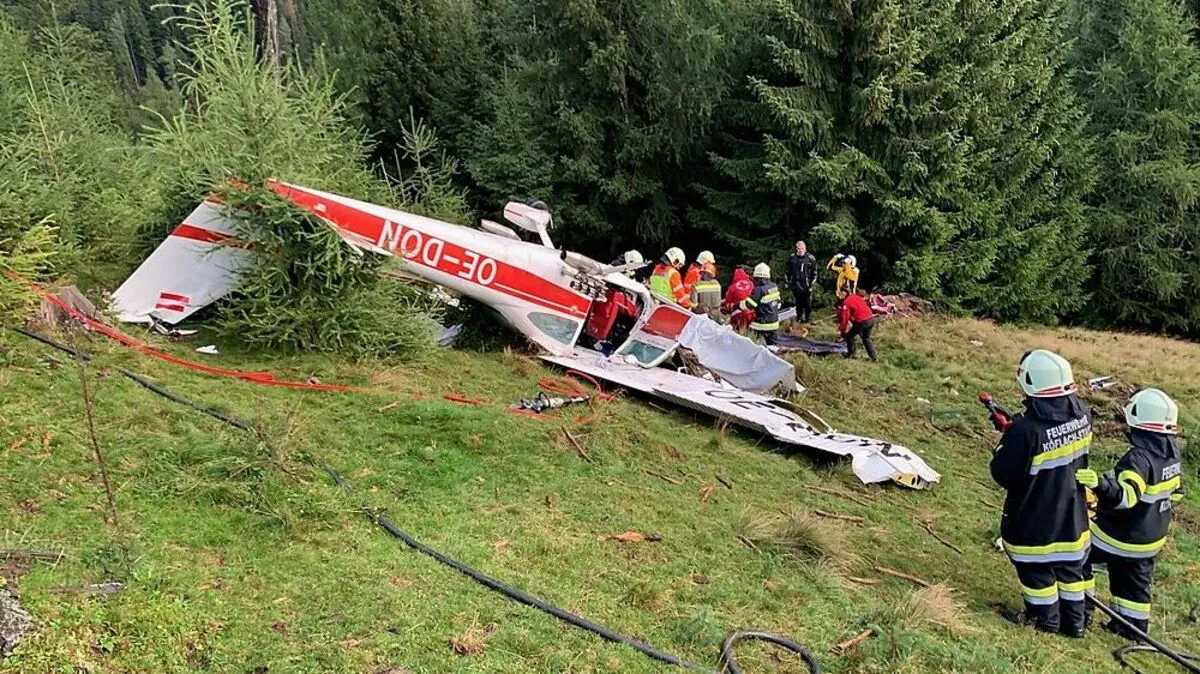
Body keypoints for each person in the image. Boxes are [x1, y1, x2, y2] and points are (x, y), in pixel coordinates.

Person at [990, 349, 1093, 638]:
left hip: (1035, 520)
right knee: (1070, 570)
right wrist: (1018, 427)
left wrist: (1008, 439)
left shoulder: (1026, 432)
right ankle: (1076, 623)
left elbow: (1003, 473)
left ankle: (1044, 620)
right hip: (1073, 514)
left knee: (1037, 573)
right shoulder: (1083, 414)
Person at [1077, 388, 1184, 637]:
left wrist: (1100, 485)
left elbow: (1125, 497)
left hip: (1117, 537)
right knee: (1134, 584)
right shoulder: (1172, 454)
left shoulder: (1138, 459)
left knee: (1076, 550)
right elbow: (1176, 493)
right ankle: (1131, 628)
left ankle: (1080, 611)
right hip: (1150, 541)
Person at [741, 263, 781, 345]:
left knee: (752, 344)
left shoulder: (758, 289)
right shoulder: (774, 286)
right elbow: (779, 304)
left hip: (760, 325)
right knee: (773, 347)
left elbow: (748, 306)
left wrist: (739, 304)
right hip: (774, 324)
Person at [836, 288, 878, 361]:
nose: (840, 295)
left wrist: (842, 330)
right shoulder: (855, 296)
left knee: (849, 336)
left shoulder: (847, 302)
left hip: (862, 321)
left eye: (842, 293)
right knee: (866, 338)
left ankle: (851, 354)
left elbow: (845, 319)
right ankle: (874, 357)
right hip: (871, 319)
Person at [785, 241, 818, 323]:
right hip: (796, 284)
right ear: (796, 249)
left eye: (802, 248)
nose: (800, 250)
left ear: (805, 248)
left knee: (808, 303)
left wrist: (811, 285)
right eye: (799, 248)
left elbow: (815, 273)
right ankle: (799, 318)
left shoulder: (810, 258)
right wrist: (788, 282)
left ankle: (808, 318)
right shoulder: (792, 258)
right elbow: (788, 271)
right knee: (798, 303)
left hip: (806, 284)